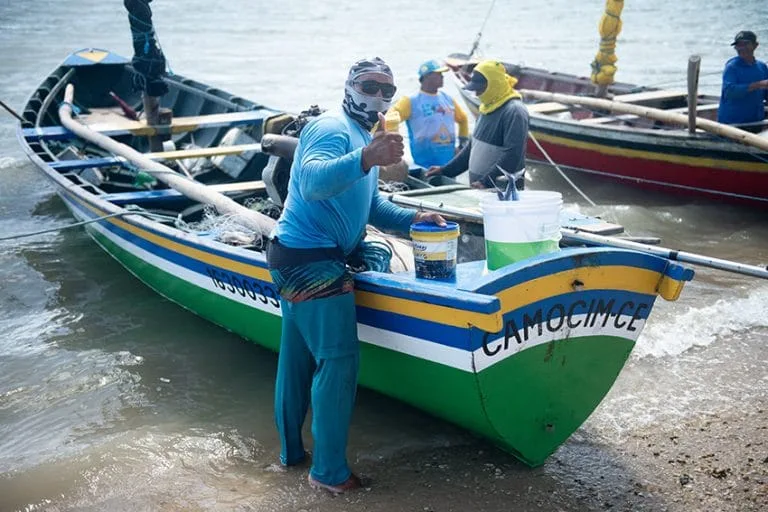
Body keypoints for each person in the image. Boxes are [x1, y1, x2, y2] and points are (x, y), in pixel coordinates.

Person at [266, 57, 446, 494]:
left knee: (296, 361)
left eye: (388, 90)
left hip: (294, 257)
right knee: (339, 361)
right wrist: (367, 157)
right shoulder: (331, 128)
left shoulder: (362, 134)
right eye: (370, 86)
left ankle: (291, 455)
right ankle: (328, 475)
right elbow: (310, 182)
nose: (379, 96)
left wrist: (416, 215)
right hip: (311, 262)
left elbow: (370, 209)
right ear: (350, 86)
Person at [425, 60, 529, 190]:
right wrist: (445, 170)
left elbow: (513, 154)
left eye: (480, 89)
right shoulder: (487, 107)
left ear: (494, 84)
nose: (477, 94)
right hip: (480, 190)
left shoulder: (514, 112)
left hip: (503, 193)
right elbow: (472, 148)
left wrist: (486, 181)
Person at [386, 59, 470, 168]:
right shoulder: (411, 101)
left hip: (448, 163)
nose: (442, 77)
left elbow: (463, 119)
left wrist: (462, 144)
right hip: (424, 163)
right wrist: (394, 146)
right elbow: (389, 119)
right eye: (438, 74)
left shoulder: (447, 99)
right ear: (426, 77)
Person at [718, 30, 768, 128]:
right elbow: (729, 91)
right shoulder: (732, 67)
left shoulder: (762, 67)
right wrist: (759, 84)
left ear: (755, 45)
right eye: (739, 45)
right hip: (733, 124)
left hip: (756, 121)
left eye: (746, 44)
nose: (742, 48)